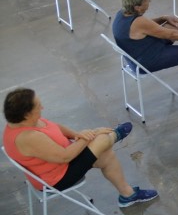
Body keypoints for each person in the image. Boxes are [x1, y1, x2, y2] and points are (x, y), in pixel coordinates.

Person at [3, 87, 157, 208]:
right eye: (38, 106)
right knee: (102, 140)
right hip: (57, 178)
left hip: (59, 163)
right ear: (26, 115)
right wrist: (90, 135)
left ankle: (127, 195)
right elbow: (65, 156)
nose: (42, 107)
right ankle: (113, 136)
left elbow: (53, 126)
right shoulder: (28, 137)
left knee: (106, 154)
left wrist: (77, 134)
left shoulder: (24, 121)